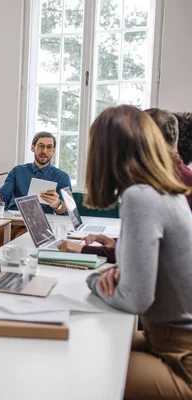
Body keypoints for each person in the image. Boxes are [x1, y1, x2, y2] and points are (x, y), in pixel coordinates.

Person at [84, 105, 192, 399]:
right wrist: (127, 272)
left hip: (181, 357)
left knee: (86, 365)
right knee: (90, 344)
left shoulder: (139, 197)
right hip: (171, 340)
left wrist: (95, 281)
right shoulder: (167, 190)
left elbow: (136, 300)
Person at [59, 108, 192, 258]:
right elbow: (151, 246)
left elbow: (141, 257)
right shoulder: (175, 179)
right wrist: (118, 243)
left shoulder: (151, 192)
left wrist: (85, 251)